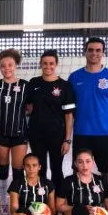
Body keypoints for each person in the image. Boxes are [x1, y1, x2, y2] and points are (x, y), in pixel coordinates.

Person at [68, 37, 108, 192]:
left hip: (107, 134)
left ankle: (106, 203)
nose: (94, 53)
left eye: (98, 50)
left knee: (107, 172)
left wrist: (106, 121)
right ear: (85, 52)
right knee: (78, 171)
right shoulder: (74, 77)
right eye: (91, 50)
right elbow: (70, 108)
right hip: (82, 133)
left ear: (103, 53)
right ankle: (79, 201)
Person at [0, 49, 30, 215]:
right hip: (0, 132)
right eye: (3, 66)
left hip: (19, 133)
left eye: (10, 65)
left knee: (18, 170)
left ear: (15, 65)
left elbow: (29, 107)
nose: (7, 68)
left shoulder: (25, 85)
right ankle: (4, 203)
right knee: (3, 168)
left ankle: (16, 203)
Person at [27, 49, 75, 189]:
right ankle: (42, 199)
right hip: (36, 135)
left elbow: (68, 115)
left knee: (56, 169)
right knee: (39, 169)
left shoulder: (65, 86)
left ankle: (57, 200)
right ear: (41, 64)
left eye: (51, 63)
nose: (48, 66)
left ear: (56, 64)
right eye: (45, 63)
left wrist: (67, 139)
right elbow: (29, 104)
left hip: (57, 135)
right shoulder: (34, 83)